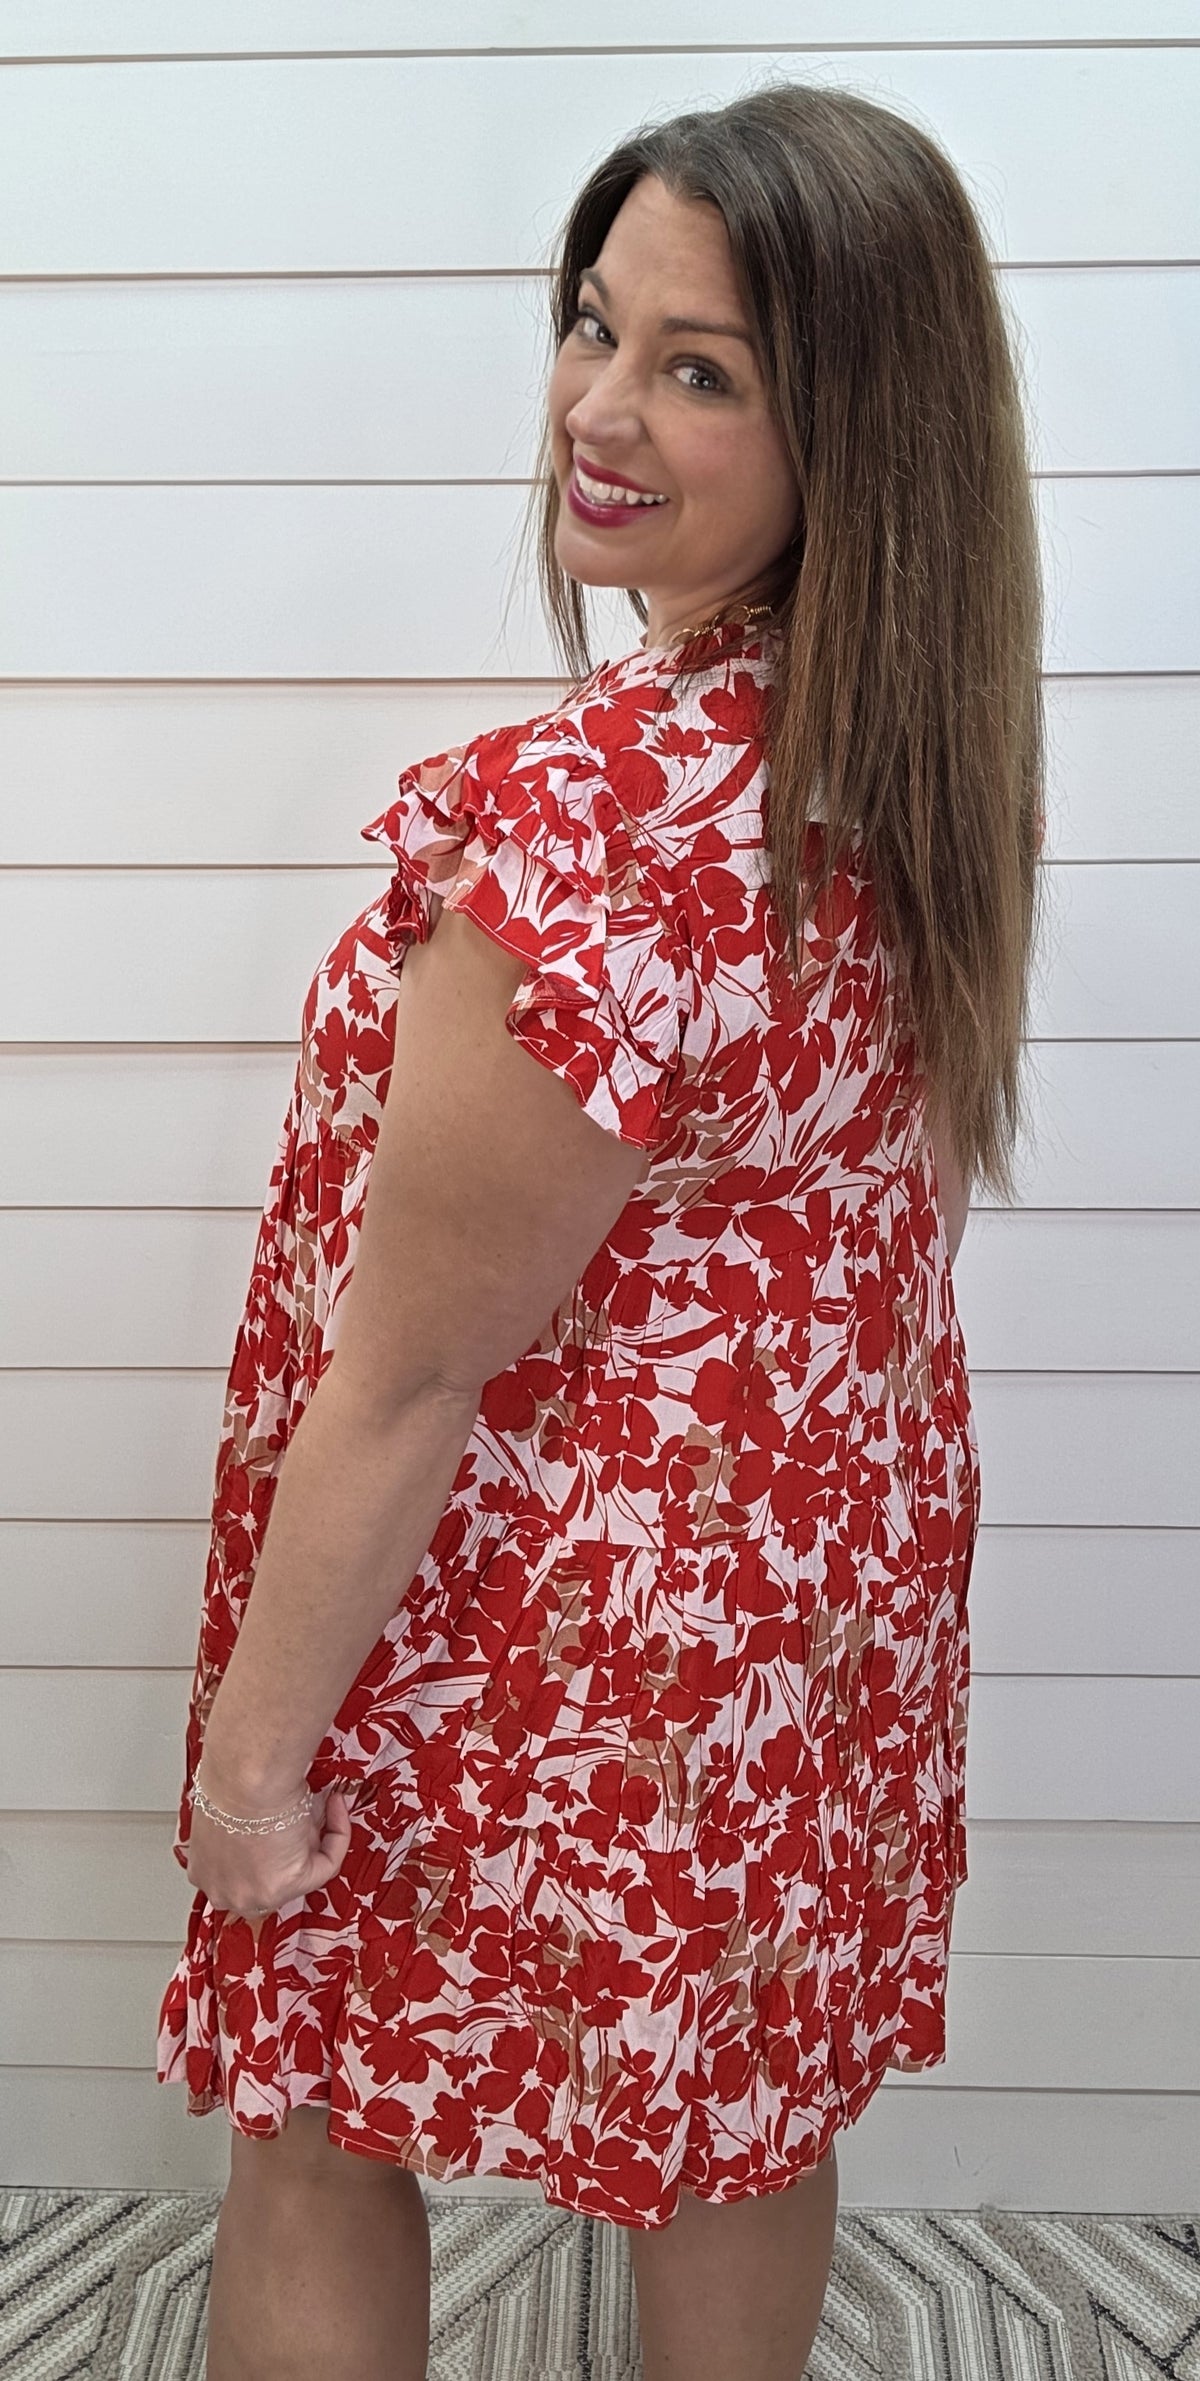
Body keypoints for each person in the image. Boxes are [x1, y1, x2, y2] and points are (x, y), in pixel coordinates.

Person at [155, 80, 1044, 2381]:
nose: (598, 409)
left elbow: (411, 1373)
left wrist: (254, 1771)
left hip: (527, 1625)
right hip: (795, 1625)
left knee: (311, 2118)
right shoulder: (901, 767)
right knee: (740, 2122)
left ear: (858, 433)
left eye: (698, 366)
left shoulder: (591, 831)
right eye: (592, 325)